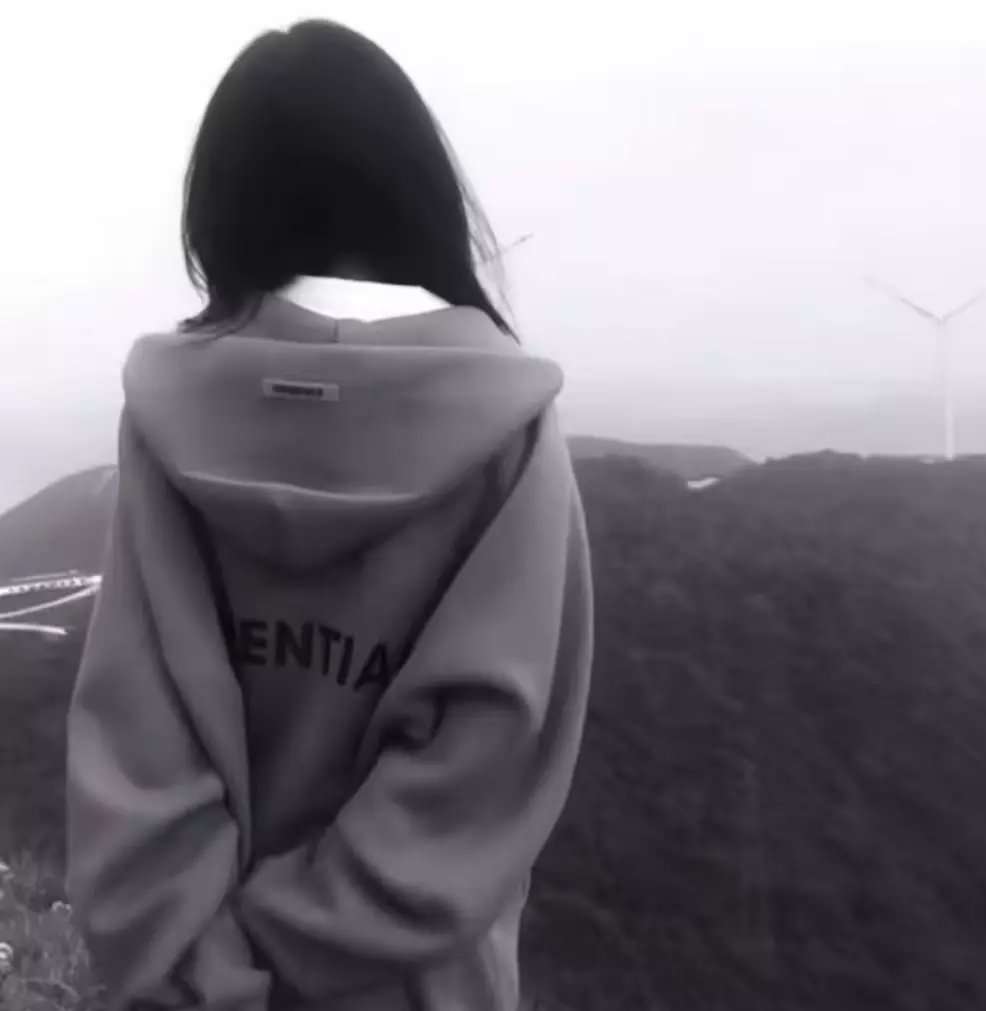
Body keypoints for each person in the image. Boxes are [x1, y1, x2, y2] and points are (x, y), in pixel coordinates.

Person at [64, 19, 593, 1011]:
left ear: (224, 205)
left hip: (189, 982)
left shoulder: (167, 412)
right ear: (414, 188)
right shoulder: (510, 425)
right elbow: (482, 756)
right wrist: (301, 943)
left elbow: (138, 736)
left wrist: (211, 970)